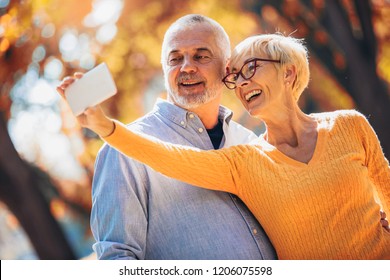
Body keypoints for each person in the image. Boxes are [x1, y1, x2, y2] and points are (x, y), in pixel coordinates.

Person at [58, 32, 390, 259]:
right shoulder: (246, 161)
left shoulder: (350, 125)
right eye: (235, 77)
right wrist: (106, 128)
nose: (242, 83)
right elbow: (171, 158)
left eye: (252, 68)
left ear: (289, 73)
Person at [58, 14, 277, 260]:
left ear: (227, 68)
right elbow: (117, 258)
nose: (186, 67)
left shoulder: (248, 141)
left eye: (201, 56)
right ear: (165, 70)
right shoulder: (122, 150)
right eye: (175, 59)